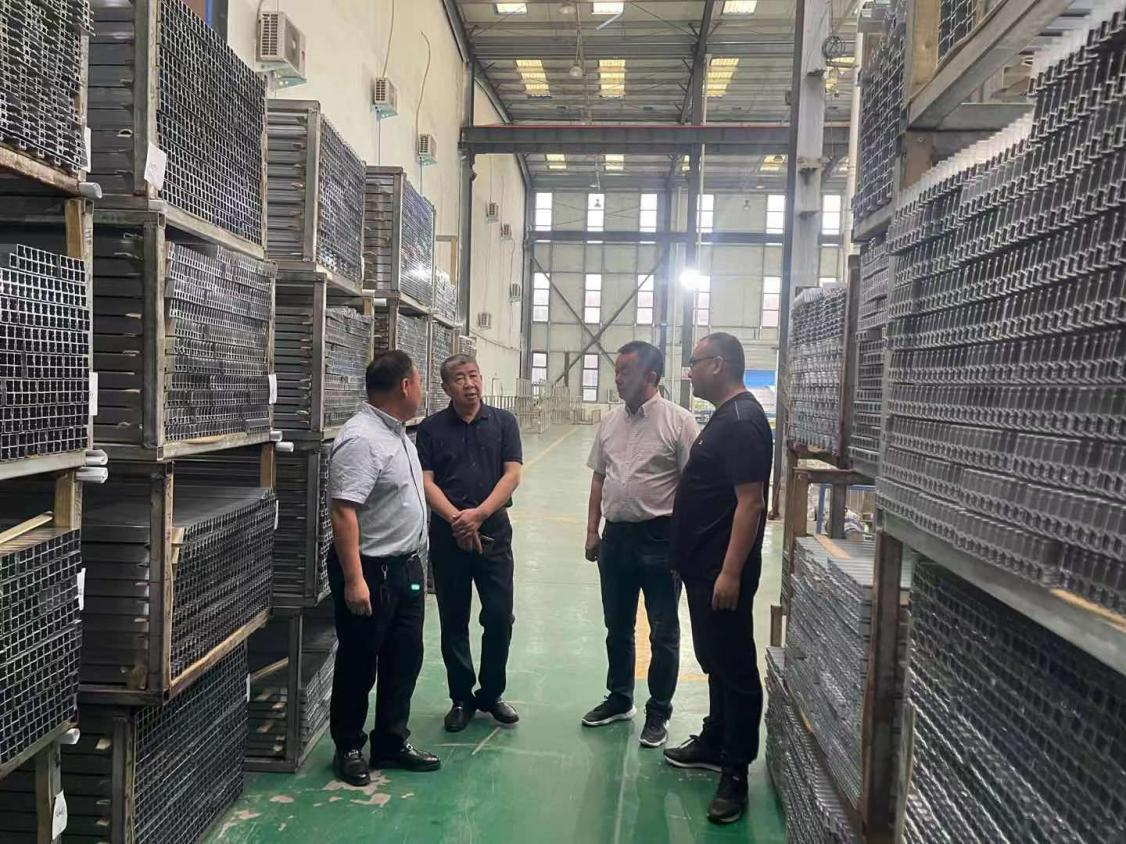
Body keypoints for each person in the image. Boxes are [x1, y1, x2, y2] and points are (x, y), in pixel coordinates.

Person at [664, 332, 772, 825]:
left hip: (720, 571)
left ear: (719, 364)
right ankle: (714, 739)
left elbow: (751, 503)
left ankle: (735, 771)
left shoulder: (743, 421)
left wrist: (730, 572)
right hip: (702, 568)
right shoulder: (724, 418)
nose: (689, 371)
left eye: (695, 362)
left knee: (735, 667)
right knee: (714, 660)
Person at [326, 350, 440, 786]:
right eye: (420, 382)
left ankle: (391, 742)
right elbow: (343, 511)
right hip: (371, 572)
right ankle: (349, 747)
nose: (422, 390)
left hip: (405, 568)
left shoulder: (398, 435)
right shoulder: (361, 439)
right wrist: (354, 580)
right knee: (359, 663)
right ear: (406, 386)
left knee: (404, 659)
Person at [581, 341, 699, 748]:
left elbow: (693, 487)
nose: (617, 378)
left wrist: (686, 543)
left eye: (625, 371)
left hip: (661, 539)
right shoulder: (610, 422)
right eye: (616, 370)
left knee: (663, 632)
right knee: (617, 626)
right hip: (616, 539)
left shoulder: (679, 422)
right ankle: (619, 698)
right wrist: (592, 530)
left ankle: (659, 711)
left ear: (651, 375)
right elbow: (599, 477)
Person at [417, 354, 523, 732]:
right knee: (453, 617)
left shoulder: (504, 423)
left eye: (474, 375)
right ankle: (461, 697)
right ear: (446, 387)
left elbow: (512, 475)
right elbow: (426, 482)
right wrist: (457, 520)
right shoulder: (431, 428)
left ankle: (491, 693)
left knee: (499, 615)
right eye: (460, 378)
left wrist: (479, 514)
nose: (469, 384)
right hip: (449, 537)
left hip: (493, 532)